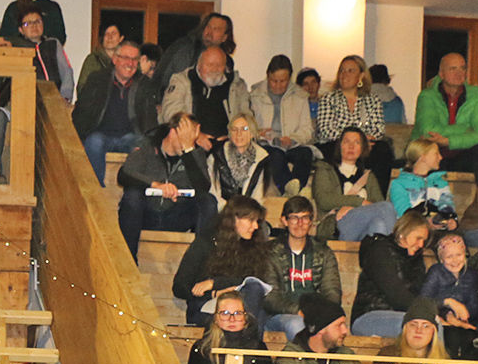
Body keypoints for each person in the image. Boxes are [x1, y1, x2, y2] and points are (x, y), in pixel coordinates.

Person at [116, 113, 214, 259]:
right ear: (173, 132)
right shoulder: (148, 147)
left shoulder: (194, 154)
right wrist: (156, 185)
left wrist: (188, 150)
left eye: (192, 137)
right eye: (186, 136)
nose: (190, 141)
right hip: (147, 214)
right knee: (132, 195)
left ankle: (201, 262)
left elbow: (203, 187)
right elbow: (124, 175)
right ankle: (127, 259)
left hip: (176, 215)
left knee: (208, 201)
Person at [172, 193, 270, 327]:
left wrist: (215, 283)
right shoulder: (206, 243)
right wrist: (214, 293)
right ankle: (242, 343)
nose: (255, 227)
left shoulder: (254, 246)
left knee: (256, 296)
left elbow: (257, 280)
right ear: (234, 219)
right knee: (248, 313)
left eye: (257, 221)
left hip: (241, 306)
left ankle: (245, 344)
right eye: (251, 220)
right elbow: (180, 287)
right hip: (207, 307)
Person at [72, 39, 155, 180]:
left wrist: (149, 141)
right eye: (126, 58)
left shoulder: (144, 84)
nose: (130, 63)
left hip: (130, 137)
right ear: (115, 59)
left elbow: (150, 118)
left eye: (135, 59)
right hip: (100, 134)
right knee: (93, 142)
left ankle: (136, 189)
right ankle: (95, 189)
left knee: (144, 145)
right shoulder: (97, 79)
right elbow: (81, 111)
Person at [266, 196, 342, 340]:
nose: (300, 223)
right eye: (294, 218)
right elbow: (270, 297)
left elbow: (332, 292)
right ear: (284, 221)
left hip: (316, 314)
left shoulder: (323, 252)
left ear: (311, 221)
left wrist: (317, 313)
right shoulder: (270, 252)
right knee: (297, 324)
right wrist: (299, 311)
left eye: (305, 218)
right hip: (279, 316)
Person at [315, 54, 393, 191]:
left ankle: (376, 198)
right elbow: (326, 130)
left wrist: (360, 143)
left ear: (361, 76)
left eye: (350, 71)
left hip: (365, 146)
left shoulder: (372, 100)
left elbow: (378, 129)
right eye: (342, 71)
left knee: (383, 149)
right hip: (335, 144)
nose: (345, 74)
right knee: (343, 149)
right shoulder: (328, 99)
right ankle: (345, 195)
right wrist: (355, 141)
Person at [351, 210, 432, 337]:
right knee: (423, 327)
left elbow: (422, 294)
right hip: (369, 315)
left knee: (429, 325)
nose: (421, 245)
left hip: (403, 315)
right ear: (403, 233)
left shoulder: (417, 259)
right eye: (418, 238)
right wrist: (432, 311)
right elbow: (396, 295)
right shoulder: (380, 250)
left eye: (424, 241)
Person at [411, 52, 478, 177]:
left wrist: (449, 141)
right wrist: (466, 128)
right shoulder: (427, 96)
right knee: (429, 154)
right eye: (453, 69)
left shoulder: (477, 95)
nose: (459, 73)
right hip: (434, 151)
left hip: (462, 151)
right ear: (441, 74)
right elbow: (428, 131)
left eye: (463, 68)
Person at [310, 126, 396, 241]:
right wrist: (359, 202)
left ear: (363, 148)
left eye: (357, 142)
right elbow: (324, 200)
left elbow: (377, 203)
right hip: (336, 226)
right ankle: (395, 250)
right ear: (339, 146)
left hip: (361, 230)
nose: (351, 146)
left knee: (379, 225)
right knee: (387, 207)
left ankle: (382, 257)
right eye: (346, 142)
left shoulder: (368, 176)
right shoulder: (325, 169)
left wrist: (353, 207)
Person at [159, 44, 247, 151]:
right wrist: (195, 136)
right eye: (209, 64)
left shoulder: (237, 86)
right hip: (189, 145)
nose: (214, 69)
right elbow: (171, 114)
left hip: (228, 147)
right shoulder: (181, 81)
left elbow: (247, 118)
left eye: (219, 65)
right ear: (199, 65)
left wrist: (234, 137)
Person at [251, 54, 315, 192]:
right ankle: (290, 190)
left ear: (290, 79)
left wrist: (292, 139)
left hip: (292, 143)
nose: (278, 85)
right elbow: (247, 125)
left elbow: (306, 129)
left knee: (305, 153)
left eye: (283, 81)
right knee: (275, 155)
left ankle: (297, 189)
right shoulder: (255, 95)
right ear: (268, 76)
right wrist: (257, 133)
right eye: (274, 81)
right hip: (267, 144)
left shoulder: (300, 96)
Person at [154, 12, 233, 99]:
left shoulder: (227, 62)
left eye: (216, 29)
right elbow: (162, 79)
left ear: (224, 37)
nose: (209, 33)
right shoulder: (185, 49)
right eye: (208, 27)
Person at [389, 136, 457, 229]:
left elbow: (448, 208)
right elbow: (404, 215)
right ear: (423, 157)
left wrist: (452, 221)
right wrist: (427, 222)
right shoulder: (400, 184)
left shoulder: (440, 182)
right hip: (413, 229)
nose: (440, 157)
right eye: (436, 154)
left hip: (439, 231)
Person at [210, 114, 275, 205]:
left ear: (252, 133)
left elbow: (259, 195)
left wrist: (247, 213)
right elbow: (213, 190)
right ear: (230, 133)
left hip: (248, 211)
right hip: (222, 210)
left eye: (244, 129)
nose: (238, 134)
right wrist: (227, 209)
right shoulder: (217, 155)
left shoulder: (262, 158)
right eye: (234, 129)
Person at [420, 231, 478, 329]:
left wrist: (460, 316)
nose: (455, 260)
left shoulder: (470, 274)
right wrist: (448, 304)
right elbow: (424, 301)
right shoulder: (436, 272)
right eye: (449, 257)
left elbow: (475, 305)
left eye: (459, 255)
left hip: (462, 321)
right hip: (437, 317)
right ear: (441, 260)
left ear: (465, 255)